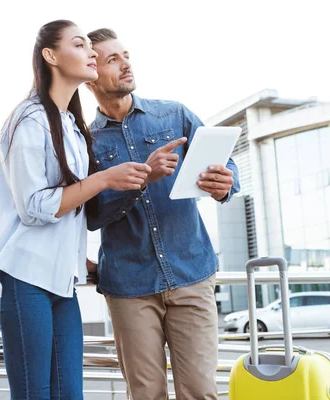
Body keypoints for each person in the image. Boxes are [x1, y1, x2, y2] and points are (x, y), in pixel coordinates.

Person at [0, 20, 151, 399]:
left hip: (62, 281)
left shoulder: (72, 126)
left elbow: (72, 208)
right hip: (24, 277)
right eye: (80, 45)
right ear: (50, 56)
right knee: (34, 394)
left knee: (69, 393)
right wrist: (105, 179)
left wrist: (81, 261)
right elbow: (34, 208)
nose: (91, 52)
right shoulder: (28, 119)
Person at [85, 28, 240, 400]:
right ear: (91, 75)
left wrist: (225, 184)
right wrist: (142, 179)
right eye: (112, 60)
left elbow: (226, 165)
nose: (126, 65)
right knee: (146, 394)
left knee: (201, 392)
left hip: (191, 273)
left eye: (126, 56)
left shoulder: (174, 114)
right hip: (129, 288)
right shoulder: (85, 142)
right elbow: (90, 214)